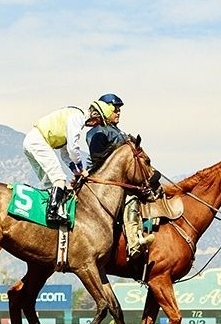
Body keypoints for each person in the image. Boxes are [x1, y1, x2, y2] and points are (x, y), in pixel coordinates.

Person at [85, 94, 154, 258]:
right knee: (130, 198)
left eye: (119, 109)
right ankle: (134, 243)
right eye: (115, 109)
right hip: (107, 185)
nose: (118, 112)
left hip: (128, 180)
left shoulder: (118, 131)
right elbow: (98, 159)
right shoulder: (97, 132)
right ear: (105, 110)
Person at [23, 102, 110, 226]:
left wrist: (75, 170)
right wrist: (81, 168)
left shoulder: (73, 117)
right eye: (98, 121)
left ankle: (46, 216)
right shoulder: (78, 118)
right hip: (38, 141)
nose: (95, 125)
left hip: (30, 141)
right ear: (95, 115)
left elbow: (64, 154)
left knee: (49, 183)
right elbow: (72, 148)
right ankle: (52, 214)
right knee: (59, 178)